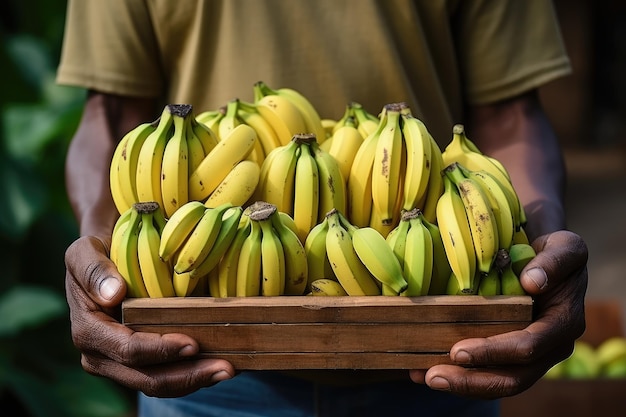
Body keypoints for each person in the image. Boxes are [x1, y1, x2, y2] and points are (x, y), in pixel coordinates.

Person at [58, 1, 588, 416]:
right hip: (201, 364)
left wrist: (536, 252)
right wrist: (101, 256)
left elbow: (511, 114)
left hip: (438, 346)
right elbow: (108, 113)